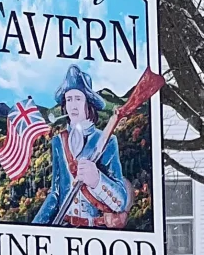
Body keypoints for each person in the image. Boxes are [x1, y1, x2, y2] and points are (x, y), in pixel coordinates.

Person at [32, 65, 131, 228]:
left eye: (78, 98)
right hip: (64, 229)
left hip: (95, 232)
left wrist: (97, 180)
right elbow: (55, 194)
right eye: (69, 99)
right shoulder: (59, 141)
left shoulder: (107, 140)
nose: (73, 105)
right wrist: (34, 228)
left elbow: (120, 201)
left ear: (88, 103)